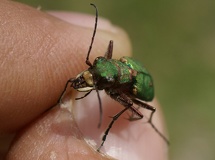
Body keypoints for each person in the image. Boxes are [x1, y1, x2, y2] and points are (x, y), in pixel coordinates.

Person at [0, 1, 168, 159]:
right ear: (104, 60)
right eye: (95, 64)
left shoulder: (126, 88)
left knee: (141, 108)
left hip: (139, 85)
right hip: (125, 69)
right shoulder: (117, 64)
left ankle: (141, 125)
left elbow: (129, 102)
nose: (89, 74)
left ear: (113, 83)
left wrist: (111, 122)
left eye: (102, 80)